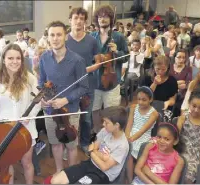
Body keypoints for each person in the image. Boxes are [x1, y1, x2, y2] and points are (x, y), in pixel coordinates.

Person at [0, 44, 41, 184]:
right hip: (3, 129)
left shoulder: (29, 79)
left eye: (18, 58)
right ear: (4, 59)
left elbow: (37, 103)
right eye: (10, 58)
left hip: (25, 129)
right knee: (7, 164)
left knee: (27, 163)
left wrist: (29, 117)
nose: (14, 61)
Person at [38, 21, 88, 173]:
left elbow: (84, 86)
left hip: (70, 109)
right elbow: (41, 82)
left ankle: (71, 175)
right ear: (48, 37)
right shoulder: (44, 58)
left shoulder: (77, 60)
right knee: (55, 143)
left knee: (71, 145)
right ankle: (59, 172)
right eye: (52, 35)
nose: (55, 38)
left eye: (59, 34)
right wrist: (43, 98)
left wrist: (65, 100)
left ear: (65, 36)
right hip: (51, 112)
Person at [45, 106, 129, 184]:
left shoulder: (122, 146)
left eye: (106, 123)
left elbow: (104, 167)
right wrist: (100, 156)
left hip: (103, 175)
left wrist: (92, 152)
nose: (103, 124)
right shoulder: (105, 131)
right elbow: (95, 147)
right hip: (90, 164)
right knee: (55, 181)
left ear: (117, 125)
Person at [66, 7, 101, 155]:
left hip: (88, 86)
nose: (79, 21)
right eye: (76, 18)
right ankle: (68, 145)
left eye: (82, 19)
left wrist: (84, 70)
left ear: (85, 22)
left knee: (86, 118)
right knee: (68, 118)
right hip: (69, 87)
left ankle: (85, 143)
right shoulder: (64, 39)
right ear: (70, 20)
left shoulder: (92, 40)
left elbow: (98, 62)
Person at [90, 5, 128, 112]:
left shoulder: (119, 37)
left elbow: (126, 57)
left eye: (106, 16)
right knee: (94, 114)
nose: (102, 19)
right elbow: (87, 58)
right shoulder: (92, 37)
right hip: (95, 84)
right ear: (97, 19)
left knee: (111, 114)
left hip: (112, 83)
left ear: (111, 19)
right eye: (100, 17)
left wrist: (117, 51)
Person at [177, 87, 200, 183]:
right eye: (194, 106)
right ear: (189, 103)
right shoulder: (182, 118)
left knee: (188, 176)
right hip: (180, 152)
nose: (196, 110)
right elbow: (175, 140)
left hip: (195, 158)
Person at [125, 86, 159, 181]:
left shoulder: (154, 113)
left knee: (132, 151)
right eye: (139, 99)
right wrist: (127, 136)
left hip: (143, 136)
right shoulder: (134, 108)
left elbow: (143, 130)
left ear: (150, 99)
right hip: (131, 134)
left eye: (144, 100)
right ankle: (129, 177)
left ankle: (133, 177)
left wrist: (131, 139)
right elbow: (129, 123)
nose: (140, 102)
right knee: (127, 152)